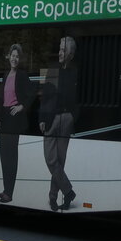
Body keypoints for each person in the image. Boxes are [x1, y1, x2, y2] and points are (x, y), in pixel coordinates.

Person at [39, 36, 78, 212]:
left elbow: (78, 98)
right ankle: (68, 190)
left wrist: (74, 117)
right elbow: (45, 95)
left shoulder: (75, 71)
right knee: (51, 159)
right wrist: (41, 117)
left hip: (66, 118)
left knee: (60, 161)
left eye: (63, 50)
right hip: (52, 118)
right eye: (60, 50)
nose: (60, 53)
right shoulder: (53, 69)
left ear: (70, 53)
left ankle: (53, 198)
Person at [0, 43, 36, 204]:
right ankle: (5, 189)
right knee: (3, 157)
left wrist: (22, 106)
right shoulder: (5, 75)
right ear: (8, 57)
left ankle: (9, 193)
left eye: (17, 56)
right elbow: (1, 99)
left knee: (11, 157)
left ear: (20, 59)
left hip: (14, 118)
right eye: (12, 55)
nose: (14, 58)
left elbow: (32, 92)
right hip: (4, 117)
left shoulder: (22, 75)